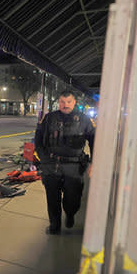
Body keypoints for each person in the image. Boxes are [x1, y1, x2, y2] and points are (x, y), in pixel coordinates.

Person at [35, 90, 95, 235]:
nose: (65, 105)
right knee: (52, 198)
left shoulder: (84, 120)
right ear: (59, 102)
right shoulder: (49, 118)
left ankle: (70, 214)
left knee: (72, 199)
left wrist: (94, 162)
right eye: (62, 102)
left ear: (74, 102)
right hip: (51, 164)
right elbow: (38, 138)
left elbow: (94, 141)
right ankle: (54, 226)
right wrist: (43, 158)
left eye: (68, 102)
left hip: (74, 166)